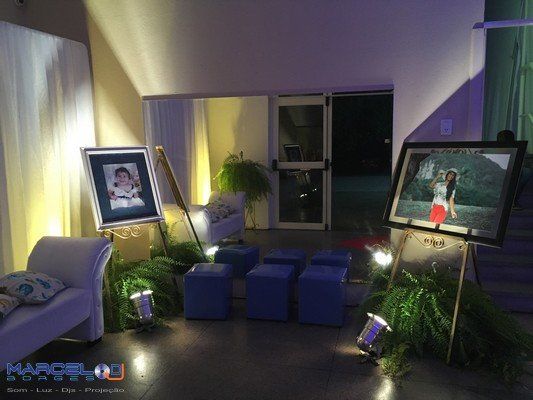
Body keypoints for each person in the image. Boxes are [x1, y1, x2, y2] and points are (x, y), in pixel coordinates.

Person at [497, 129, 532, 210]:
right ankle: (508, 201)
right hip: (498, 171)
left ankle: (512, 201)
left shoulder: (516, 148)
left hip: (511, 171)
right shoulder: (494, 148)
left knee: (526, 172)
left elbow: (520, 162)